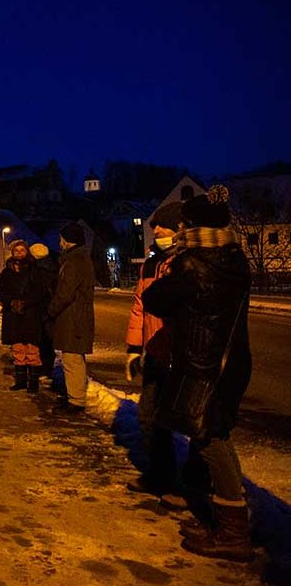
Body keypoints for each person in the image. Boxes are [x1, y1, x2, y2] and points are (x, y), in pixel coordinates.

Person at [141, 186, 253, 562]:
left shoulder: (195, 264)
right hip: (229, 361)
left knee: (211, 439)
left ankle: (234, 533)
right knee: (211, 436)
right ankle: (223, 520)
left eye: (185, 223)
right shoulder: (232, 259)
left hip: (205, 365)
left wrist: (174, 262)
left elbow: (156, 298)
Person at [124, 201, 184, 506]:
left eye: (162, 226)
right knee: (148, 416)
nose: (156, 230)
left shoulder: (184, 263)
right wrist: (134, 348)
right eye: (155, 226)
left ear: (180, 229)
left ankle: (186, 483)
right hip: (154, 352)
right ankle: (159, 474)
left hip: (180, 354)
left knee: (180, 419)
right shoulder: (150, 264)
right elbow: (139, 307)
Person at [47, 222, 95, 413]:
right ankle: (75, 396)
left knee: (72, 359)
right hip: (75, 316)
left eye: (61, 239)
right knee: (73, 358)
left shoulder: (74, 261)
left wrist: (51, 310)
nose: (59, 243)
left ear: (68, 240)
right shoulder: (78, 258)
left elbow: (65, 293)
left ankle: (76, 401)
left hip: (73, 317)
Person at [0, 240, 43, 392]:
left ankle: (33, 382)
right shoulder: (7, 271)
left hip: (30, 314)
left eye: (22, 250)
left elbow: (39, 291)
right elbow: (0, 289)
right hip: (13, 315)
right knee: (17, 348)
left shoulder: (34, 270)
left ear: (27, 252)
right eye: (16, 251)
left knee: (31, 348)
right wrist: (10, 302)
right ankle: (21, 380)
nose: (19, 253)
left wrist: (25, 302)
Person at [29, 243, 58, 383]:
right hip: (47, 309)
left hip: (41, 309)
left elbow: (37, 290)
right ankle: (46, 370)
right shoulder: (53, 266)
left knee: (43, 341)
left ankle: (44, 370)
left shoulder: (36, 269)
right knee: (46, 341)